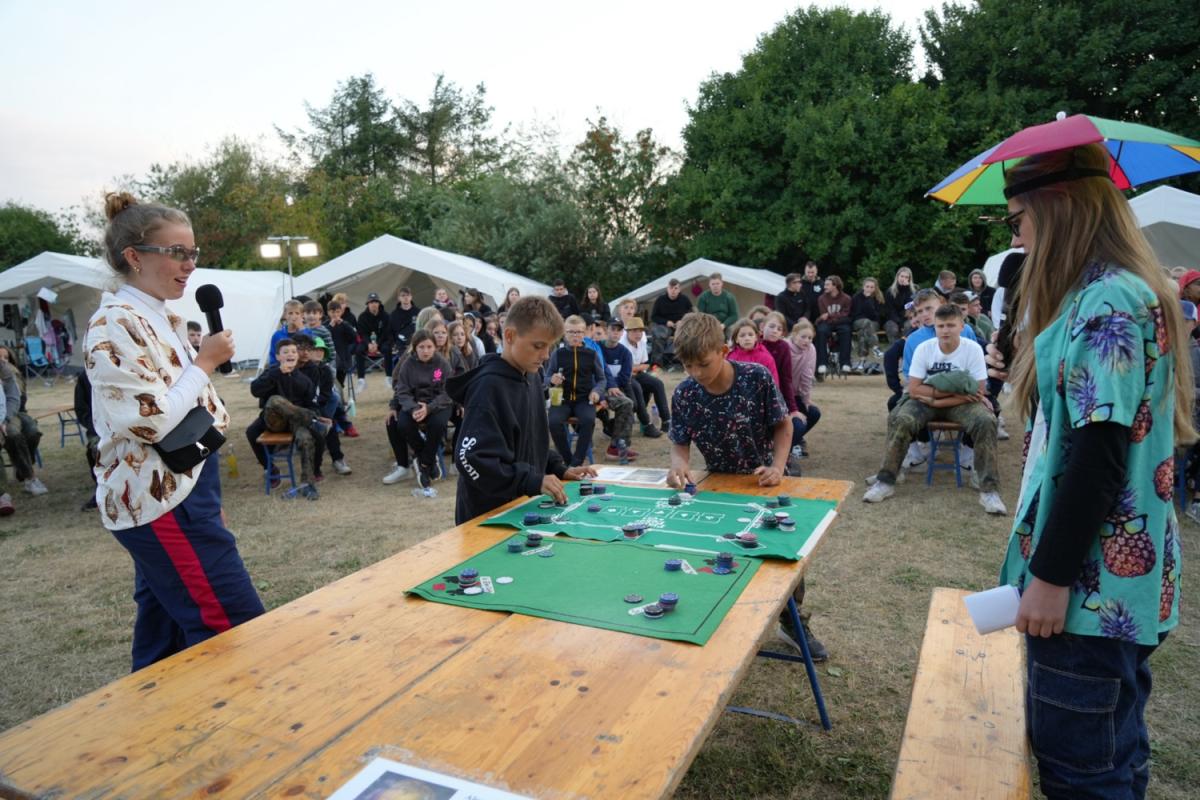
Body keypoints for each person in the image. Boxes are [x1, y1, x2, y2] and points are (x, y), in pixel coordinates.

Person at [983, 143, 1191, 799]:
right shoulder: (1118, 292)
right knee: (1115, 756)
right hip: (1120, 591)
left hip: (1087, 597)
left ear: (1059, 208)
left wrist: (1050, 578)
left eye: (1018, 219)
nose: (1016, 237)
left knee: (1082, 777)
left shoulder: (1106, 303)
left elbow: (1097, 459)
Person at [87, 192, 264, 670]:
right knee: (233, 626)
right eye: (177, 252)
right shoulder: (114, 325)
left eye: (193, 252)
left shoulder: (158, 315)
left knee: (163, 636)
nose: (190, 264)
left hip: (183, 483)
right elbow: (150, 419)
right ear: (134, 257)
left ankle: (151, 710)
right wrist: (204, 362)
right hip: (159, 495)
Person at [667, 312, 826, 658]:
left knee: (783, 555)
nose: (696, 373)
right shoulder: (685, 393)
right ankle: (720, 618)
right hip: (720, 483)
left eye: (703, 364)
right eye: (688, 366)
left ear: (723, 351)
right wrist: (679, 462)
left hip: (768, 479)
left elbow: (783, 425)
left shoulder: (756, 377)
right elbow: (680, 441)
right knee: (718, 552)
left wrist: (778, 467)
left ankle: (793, 622)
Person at [447, 296, 595, 524]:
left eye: (549, 346)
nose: (546, 355)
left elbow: (530, 440)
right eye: (538, 346)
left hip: (521, 506)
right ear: (510, 336)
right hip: (486, 515)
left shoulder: (531, 376)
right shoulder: (488, 387)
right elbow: (471, 459)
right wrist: (530, 480)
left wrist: (557, 468)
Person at [864, 303, 1005, 514]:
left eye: (951, 325)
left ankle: (989, 490)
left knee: (986, 421)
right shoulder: (925, 348)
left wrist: (936, 399)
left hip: (958, 403)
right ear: (935, 327)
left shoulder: (973, 348)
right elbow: (914, 389)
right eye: (941, 326)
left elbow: (979, 390)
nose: (945, 330)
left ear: (961, 326)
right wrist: (952, 395)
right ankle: (886, 481)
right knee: (900, 418)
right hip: (936, 400)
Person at [248, 338, 327, 499]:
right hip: (274, 421)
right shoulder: (271, 373)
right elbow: (255, 390)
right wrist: (277, 373)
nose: (290, 354)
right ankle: (271, 469)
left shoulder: (304, 380)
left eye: (293, 351)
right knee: (274, 401)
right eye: (285, 352)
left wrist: (314, 413)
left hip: (295, 423)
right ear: (278, 357)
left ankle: (307, 484)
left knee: (305, 438)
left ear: (297, 356)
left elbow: (312, 403)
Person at [545, 315, 621, 466]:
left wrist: (596, 391)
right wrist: (552, 380)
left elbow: (602, 379)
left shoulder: (591, 354)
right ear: (564, 333)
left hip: (584, 399)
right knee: (553, 422)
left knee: (588, 420)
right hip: (562, 400)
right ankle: (567, 460)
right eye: (571, 332)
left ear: (584, 333)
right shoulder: (557, 354)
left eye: (579, 332)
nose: (575, 335)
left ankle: (577, 461)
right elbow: (546, 378)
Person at [388, 329, 453, 494]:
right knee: (403, 424)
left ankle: (424, 463)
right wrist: (414, 408)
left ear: (435, 347)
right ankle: (427, 457)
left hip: (438, 404)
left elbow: (448, 392)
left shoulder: (442, 364)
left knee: (438, 424)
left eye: (429, 347)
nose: (425, 351)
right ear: (415, 348)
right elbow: (402, 391)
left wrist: (429, 408)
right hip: (414, 405)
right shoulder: (407, 365)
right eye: (421, 347)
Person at [0, 360, 46, 497]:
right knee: (12, 434)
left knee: (22, 433)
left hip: (8, 413)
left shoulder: (4, 369)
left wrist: (4, 419)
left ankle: (28, 477)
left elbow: (13, 398)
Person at [621, 317, 667, 437]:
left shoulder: (642, 341)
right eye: (634, 331)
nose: (638, 334)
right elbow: (625, 370)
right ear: (627, 331)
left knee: (658, 384)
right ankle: (646, 424)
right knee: (638, 387)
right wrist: (636, 368)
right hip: (624, 377)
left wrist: (636, 368)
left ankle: (666, 420)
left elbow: (645, 364)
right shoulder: (622, 344)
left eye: (640, 331)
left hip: (637, 374)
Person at [786, 319, 822, 452]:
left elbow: (808, 375)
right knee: (798, 424)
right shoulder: (784, 347)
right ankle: (782, 448)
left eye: (810, 338)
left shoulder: (811, 349)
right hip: (782, 395)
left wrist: (806, 400)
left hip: (797, 394)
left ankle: (794, 441)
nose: (806, 341)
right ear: (794, 335)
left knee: (814, 413)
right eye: (803, 337)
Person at [72, 368, 101, 511]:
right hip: (98, 428)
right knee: (95, 450)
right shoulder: (86, 376)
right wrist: (96, 426)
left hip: (126, 426)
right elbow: (81, 409)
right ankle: (101, 491)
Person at [814, 275, 853, 376]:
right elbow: (823, 315)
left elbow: (846, 314)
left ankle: (845, 363)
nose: (824, 287)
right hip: (827, 323)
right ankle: (822, 363)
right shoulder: (821, 298)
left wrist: (830, 315)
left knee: (846, 331)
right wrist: (834, 316)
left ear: (835, 285)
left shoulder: (846, 298)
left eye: (827, 285)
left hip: (841, 322)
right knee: (821, 331)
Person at [355, 292, 392, 390]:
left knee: (387, 349)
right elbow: (362, 333)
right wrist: (368, 344)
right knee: (358, 350)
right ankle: (361, 379)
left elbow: (386, 332)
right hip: (367, 341)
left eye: (375, 302)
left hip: (382, 341)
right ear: (368, 304)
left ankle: (389, 377)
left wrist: (377, 344)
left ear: (379, 303)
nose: (373, 304)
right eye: (371, 302)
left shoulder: (386, 316)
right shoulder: (362, 317)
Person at [850, 276, 886, 373]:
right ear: (863, 287)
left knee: (863, 332)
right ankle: (875, 347)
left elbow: (877, 315)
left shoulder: (879, 298)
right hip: (858, 322)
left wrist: (869, 300)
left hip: (873, 323)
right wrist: (866, 300)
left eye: (872, 287)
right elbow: (855, 313)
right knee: (865, 322)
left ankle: (862, 361)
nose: (869, 289)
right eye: (867, 286)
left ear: (875, 288)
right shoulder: (856, 297)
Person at [726, 317, 779, 383]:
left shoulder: (766, 358)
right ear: (736, 339)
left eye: (750, 335)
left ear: (756, 337)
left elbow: (774, 383)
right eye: (742, 335)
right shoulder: (731, 358)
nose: (747, 338)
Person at [268, 299, 305, 367]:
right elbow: (273, 356)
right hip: (283, 369)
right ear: (285, 315)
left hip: (303, 369)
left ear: (302, 315)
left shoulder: (307, 332)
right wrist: (278, 369)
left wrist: (301, 330)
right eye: (290, 313)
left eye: (297, 313)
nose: (294, 316)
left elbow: (309, 350)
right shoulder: (277, 335)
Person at [884, 267, 915, 342]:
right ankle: (895, 347)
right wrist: (898, 322)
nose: (903, 279)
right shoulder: (890, 291)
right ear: (897, 277)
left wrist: (907, 289)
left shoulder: (912, 291)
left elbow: (909, 307)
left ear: (909, 279)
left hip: (907, 317)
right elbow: (890, 309)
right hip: (892, 318)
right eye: (902, 276)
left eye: (906, 277)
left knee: (909, 326)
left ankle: (906, 347)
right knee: (892, 328)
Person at [388, 287, 419, 356]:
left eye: (408, 295)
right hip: (400, 345)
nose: (406, 297)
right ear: (399, 298)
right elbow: (390, 332)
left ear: (411, 297)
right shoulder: (393, 315)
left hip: (416, 343)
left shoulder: (418, 312)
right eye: (403, 295)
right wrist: (393, 345)